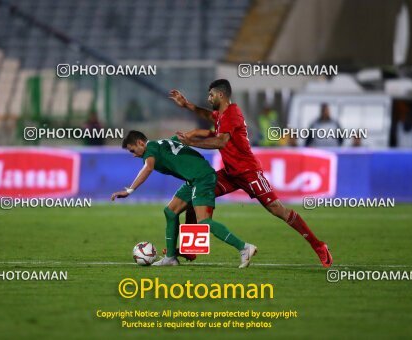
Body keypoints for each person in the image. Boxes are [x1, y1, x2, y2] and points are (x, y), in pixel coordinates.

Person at [169, 79, 332, 267]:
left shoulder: (232, 114)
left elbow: (220, 142)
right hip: (231, 173)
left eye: (211, 95)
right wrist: (187, 105)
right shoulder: (222, 115)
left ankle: (319, 245)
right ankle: (191, 250)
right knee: (197, 195)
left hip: (249, 173)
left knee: (278, 210)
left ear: (221, 95)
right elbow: (208, 115)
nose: (209, 98)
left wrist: (192, 143)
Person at [111, 130, 257, 268]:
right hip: (193, 180)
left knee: (204, 221)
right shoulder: (165, 142)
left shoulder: (150, 149)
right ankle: (170, 257)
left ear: (141, 143)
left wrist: (129, 190)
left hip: (202, 178)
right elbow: (193, 132)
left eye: (133, 150)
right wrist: (212, 132)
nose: (134, 155)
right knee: (170, 211)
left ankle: (244, 247)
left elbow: (148, 168)